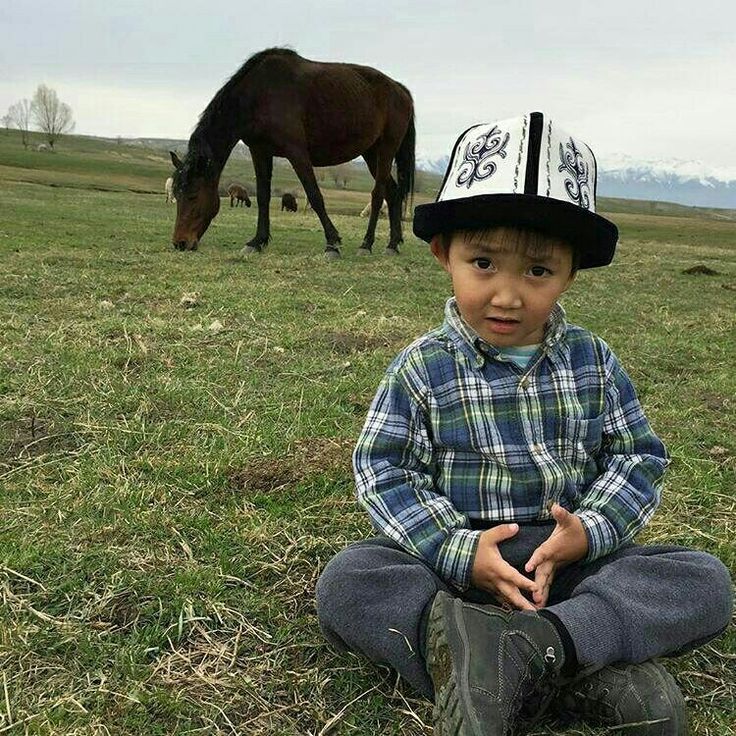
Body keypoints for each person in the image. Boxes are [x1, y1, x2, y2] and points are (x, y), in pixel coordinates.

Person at [316, 113, 732, 735]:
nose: (508, 295)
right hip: (453, 572)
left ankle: (532, 652)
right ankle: (569, 664)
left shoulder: (592, 359)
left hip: (561, 566)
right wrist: (460, 552)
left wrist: (588, 532)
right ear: (444, 256)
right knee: (351, 581)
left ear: (570, 273)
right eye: (483, 263)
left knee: (704, 580)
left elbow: (636, 458)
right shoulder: (424, 366)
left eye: (537, 271)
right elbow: (383, 468)